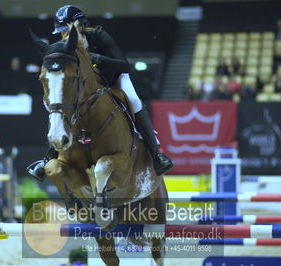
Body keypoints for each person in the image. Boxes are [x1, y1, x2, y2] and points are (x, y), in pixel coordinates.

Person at [28, 5, 173, 181]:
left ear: (80, 25)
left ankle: (156, 154)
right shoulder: (64, 47)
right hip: (90, 89)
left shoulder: (98, 36)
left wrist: (100, 59)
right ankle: (49, 156)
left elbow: (125, 65)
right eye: (62, 30)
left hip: (114, 79)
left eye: (67, 29)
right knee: (60, 106)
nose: (64, 34)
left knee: (134, 100)